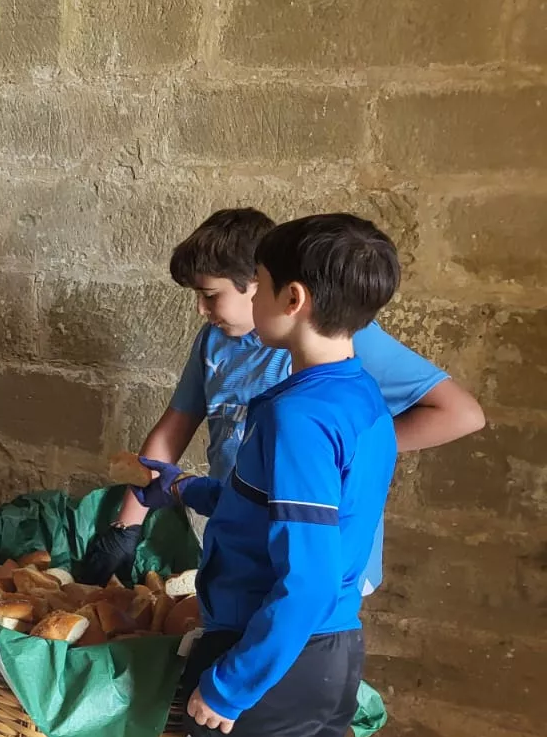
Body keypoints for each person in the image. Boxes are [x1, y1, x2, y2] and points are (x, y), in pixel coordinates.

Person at [134, 213, 403, 737]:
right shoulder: (362, 398)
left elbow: (304, 579)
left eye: (258, 280)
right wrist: (184, 489)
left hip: (269, 649)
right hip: (333, 650)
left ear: (293, 297)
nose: (251, 295)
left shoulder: (296, 417)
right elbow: (268, 512)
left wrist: (232, 686)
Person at [77, 208, 486, 586]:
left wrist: (346, 451)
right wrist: (126, 527)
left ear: (260, 283)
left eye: (210, 294)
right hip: (241, 529)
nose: (200, 309)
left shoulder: (339, 339)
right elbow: (174, 428)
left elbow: (459, 413)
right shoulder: (214, 342)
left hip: (314, 552)